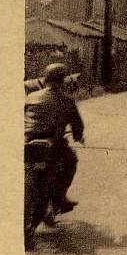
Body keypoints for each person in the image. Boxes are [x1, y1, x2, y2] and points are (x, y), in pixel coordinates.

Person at [24, 63, 85, 214]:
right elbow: (77, 125)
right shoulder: (67, 100)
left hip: (28, 143)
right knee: (71, 162)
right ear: (62, 80)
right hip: (52, 145)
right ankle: (59, 199)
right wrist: (78, 137)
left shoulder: (31, 97)